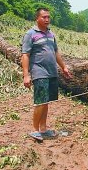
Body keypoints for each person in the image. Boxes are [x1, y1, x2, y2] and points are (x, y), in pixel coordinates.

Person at [21, 8, 72, 141]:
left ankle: (43, 129)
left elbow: (56, 53)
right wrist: (26, 75)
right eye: (44, 17)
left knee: (46, 101)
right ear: (37, 18)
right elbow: (25, 55)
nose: (47, 19)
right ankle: (35, 130)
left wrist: (64, 67)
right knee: (40, 101)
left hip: (52, 72)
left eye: (48, 17)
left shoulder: (51, 34)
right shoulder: (30, 34)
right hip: (39, 71)